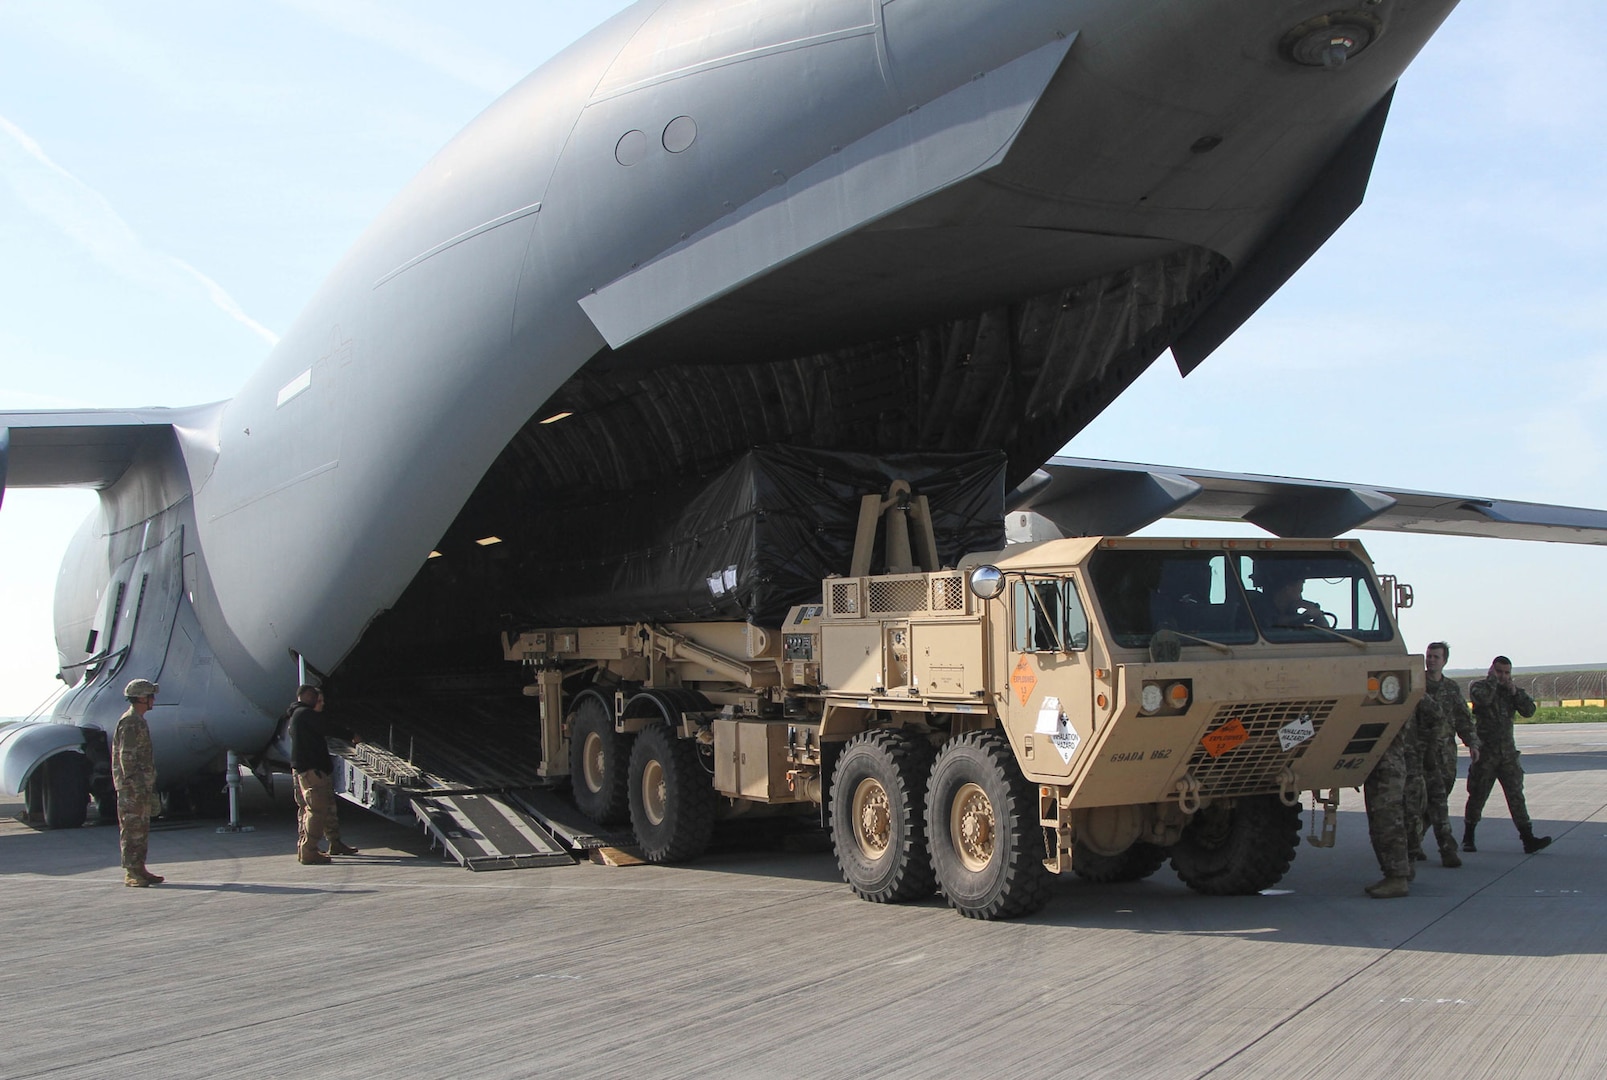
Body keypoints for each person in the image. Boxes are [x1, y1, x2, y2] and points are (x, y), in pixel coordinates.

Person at [1463, 656, 1551, 854]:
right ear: (1492, 670)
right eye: (1499, 671)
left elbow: (1529, 711)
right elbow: (1482, 699)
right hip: (1486, 754)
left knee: (1516, 796)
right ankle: (1468, 835)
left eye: (1506, 673)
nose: (1503, 676)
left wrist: (1514, 692)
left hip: (1507, 755)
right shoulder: (1480, 687)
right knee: (1477, 795)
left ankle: (1527, 838)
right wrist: (1493, 681)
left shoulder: (1511, 692)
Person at [1409, 642, 1480, 867]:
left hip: (1444, 755)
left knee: (1438, 800)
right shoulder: (1416, 685)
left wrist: (1472, 742)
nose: (1431, 660)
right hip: (1419, 753)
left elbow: (1462, 717)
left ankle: (1416, 841)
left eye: (1436, 657)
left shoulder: (1450, 688)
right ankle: (1444, 848)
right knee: (1419, 802)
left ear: (1444, 661)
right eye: (1429, 656)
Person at [286, 684, 361, 864]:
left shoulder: (297, 716)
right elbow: (328, 728)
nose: (322, 705)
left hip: (309, 770)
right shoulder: (306, 715)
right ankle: (309, 851)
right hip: (313, 771)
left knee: (319, 809)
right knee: (316, 811)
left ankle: (331, 843)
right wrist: (351, 735)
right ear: (310, 700)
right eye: (319, 701)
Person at [1363, 713, 1423, 899]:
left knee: (1388, 822)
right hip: (1385, 766)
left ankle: (1397, 878)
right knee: (1394, 819)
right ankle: (1403, 869)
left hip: (1386, 769)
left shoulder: (1397, 707)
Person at [111, 678, 164, 887]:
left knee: (141, 829)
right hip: (132, 788)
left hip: (140, 787)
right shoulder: (130, 722)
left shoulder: (138, 720)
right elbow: (127, 758)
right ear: (142, 698)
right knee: (132, 829)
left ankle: (140, 868)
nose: (153, 700)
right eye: (151, 696)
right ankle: (131, 872)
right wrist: (137, 787)